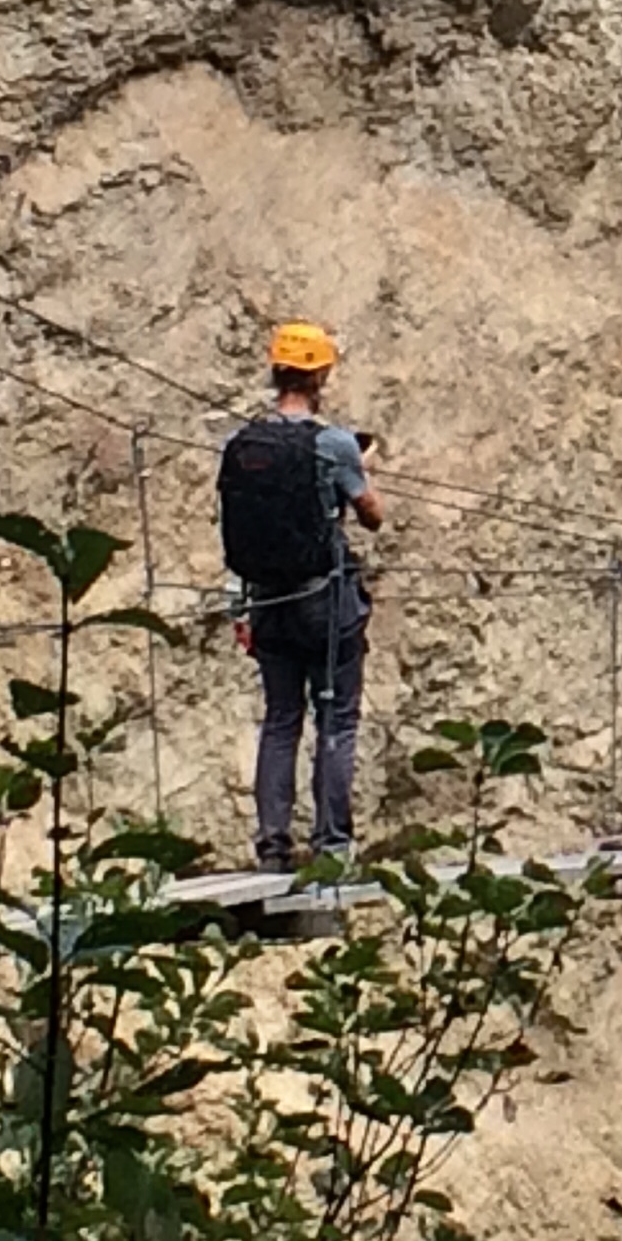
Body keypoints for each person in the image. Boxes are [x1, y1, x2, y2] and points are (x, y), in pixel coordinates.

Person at [215, 320, 385, 873]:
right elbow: (373, 516)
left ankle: (272, 847)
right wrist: (362, 469)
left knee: (281, 718)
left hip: (267, 602)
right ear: (320, 377)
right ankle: (331, 846)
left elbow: (237, 527)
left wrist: (240, 607)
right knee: (336, 718)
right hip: (323, 602)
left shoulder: (242, 445)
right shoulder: (333, 443)